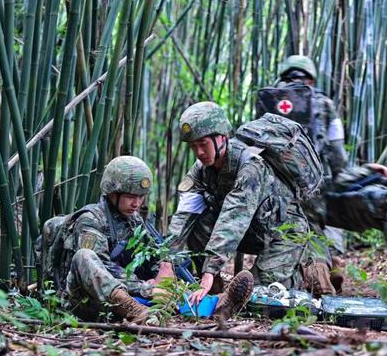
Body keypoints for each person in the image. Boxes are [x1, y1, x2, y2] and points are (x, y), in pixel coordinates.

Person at [155, 102, 335, 304]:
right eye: (193, 146)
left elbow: (233, 218)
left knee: (262, 292)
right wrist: (166, 262)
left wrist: (209, 270)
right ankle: (212, 289)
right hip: (252, 232)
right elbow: (184, 215)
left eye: (203, 144)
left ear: (222, 138)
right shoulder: (200, 171)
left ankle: (310, 268)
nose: (199, 152)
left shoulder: (250, 167)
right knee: (197, 219)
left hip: (283, 234)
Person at [50, 156, 253, 324]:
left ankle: (216, 305)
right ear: (112, 191)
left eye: (141, 196)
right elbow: (99, 269)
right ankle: (134, 311)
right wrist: (146, 288)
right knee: (84, 256)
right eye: (131, 196)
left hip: (128, 298)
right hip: (84, 303)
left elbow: (151, 255)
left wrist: (164, 274)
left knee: (171, 272)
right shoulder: (90, 221)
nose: (137, 203)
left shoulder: (133, 219)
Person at [272, 55, 349, 289]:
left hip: (277, 181)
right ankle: (324, 276)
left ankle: (285, 281)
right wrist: (341, 176)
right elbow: (336, 146)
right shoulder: (324, 102)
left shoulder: (271, 99)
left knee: (283, 231)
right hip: (314, 180)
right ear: (311, 79)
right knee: (313, 229)